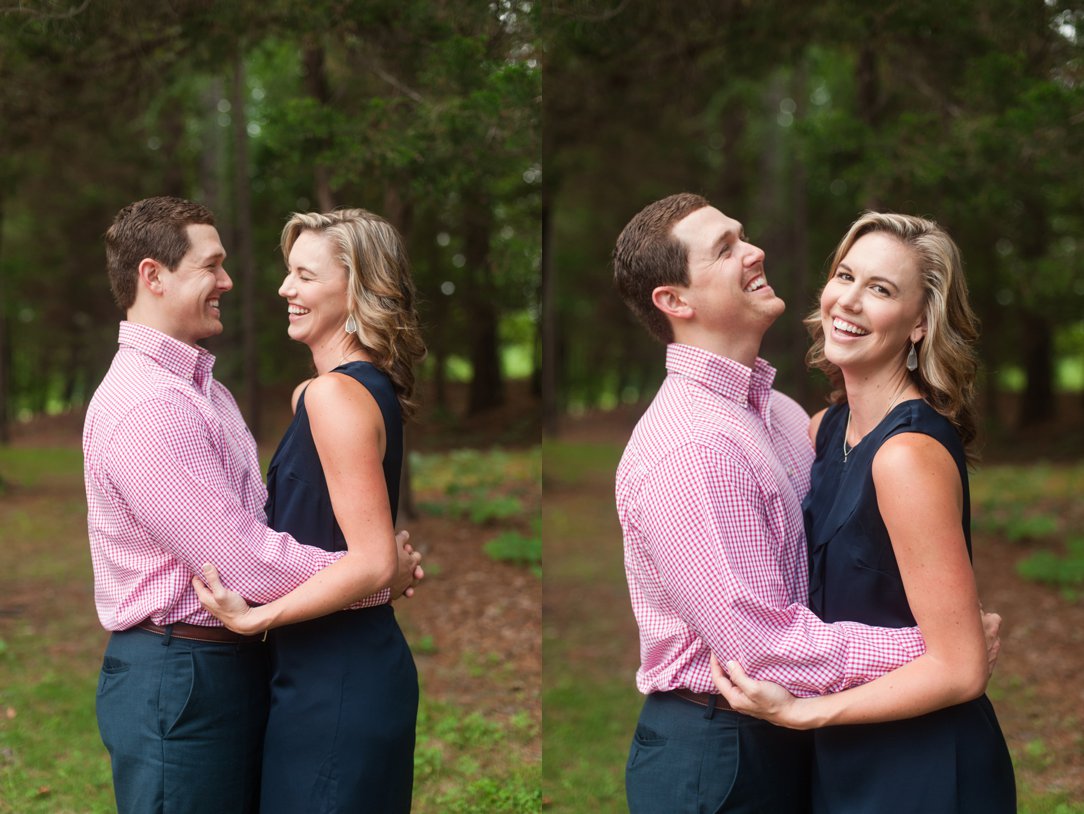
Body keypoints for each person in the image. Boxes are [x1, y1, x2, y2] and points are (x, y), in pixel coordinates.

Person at [612, 193, 999, 813]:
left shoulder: (788, 419)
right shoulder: (695, 447)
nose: (754, 251)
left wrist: (948, 655)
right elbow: (760, 644)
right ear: (675, 301)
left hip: (860, 743)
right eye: (725, 249)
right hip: (722, 748)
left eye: (880, 288)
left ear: (921, 321)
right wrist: (938, 648)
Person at [84, 196, 421, 814]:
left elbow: (263, 524)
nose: (231, 282)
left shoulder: (206, 391)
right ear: (153, 275)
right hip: (181, 671)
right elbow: (241, 562)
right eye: (211, 266)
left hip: (255, 666)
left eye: (304, 274)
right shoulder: (150, 405)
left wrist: (370, 569)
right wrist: (374, 576)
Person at [709, 212, 1016, 812]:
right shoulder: (824, 430)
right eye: (845, 276)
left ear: (920, 324)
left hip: (922, 767)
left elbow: (961, 668)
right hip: (845, 757)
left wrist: (803, 712)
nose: (848, 301)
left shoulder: (906, 455)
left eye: (880, 289)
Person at [192, 208, 427, 813]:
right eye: (287, 272)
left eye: (305, 276)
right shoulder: (321, 394)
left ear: (357, 288)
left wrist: (255, 619)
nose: (284, 289)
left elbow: (372, 561)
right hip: (309, 669)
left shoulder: (334, 396)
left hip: (341, 678)